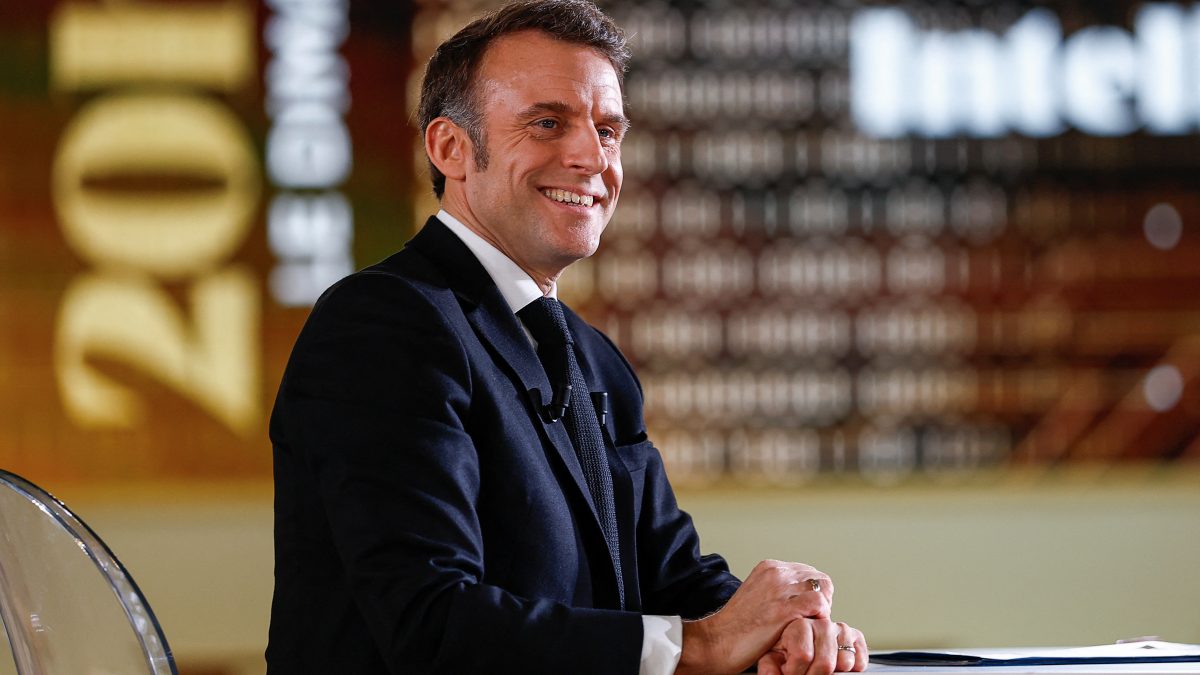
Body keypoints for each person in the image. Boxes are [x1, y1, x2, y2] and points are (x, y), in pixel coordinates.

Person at [266, 1, 869, 673]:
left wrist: (781, 633)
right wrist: (703, 646)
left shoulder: (592, 358)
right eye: (547, 123)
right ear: (451, 149)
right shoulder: (381, 324)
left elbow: (670, 577)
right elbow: (429, 620)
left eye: (607, 131)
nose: (591, 158)